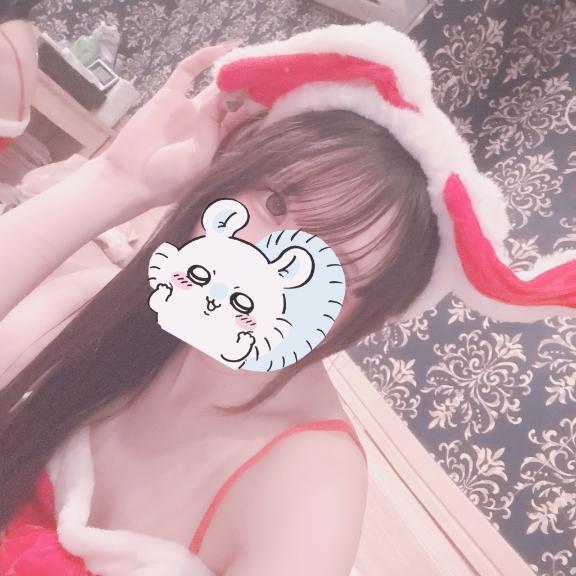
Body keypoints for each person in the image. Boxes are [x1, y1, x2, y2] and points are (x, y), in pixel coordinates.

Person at [0, 28, 440, 576]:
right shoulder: (93, 309)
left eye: (332, 269)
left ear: (358, 318)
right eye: (275, 204)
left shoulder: (309, 485)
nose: (259, 268)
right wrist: (117, 181)